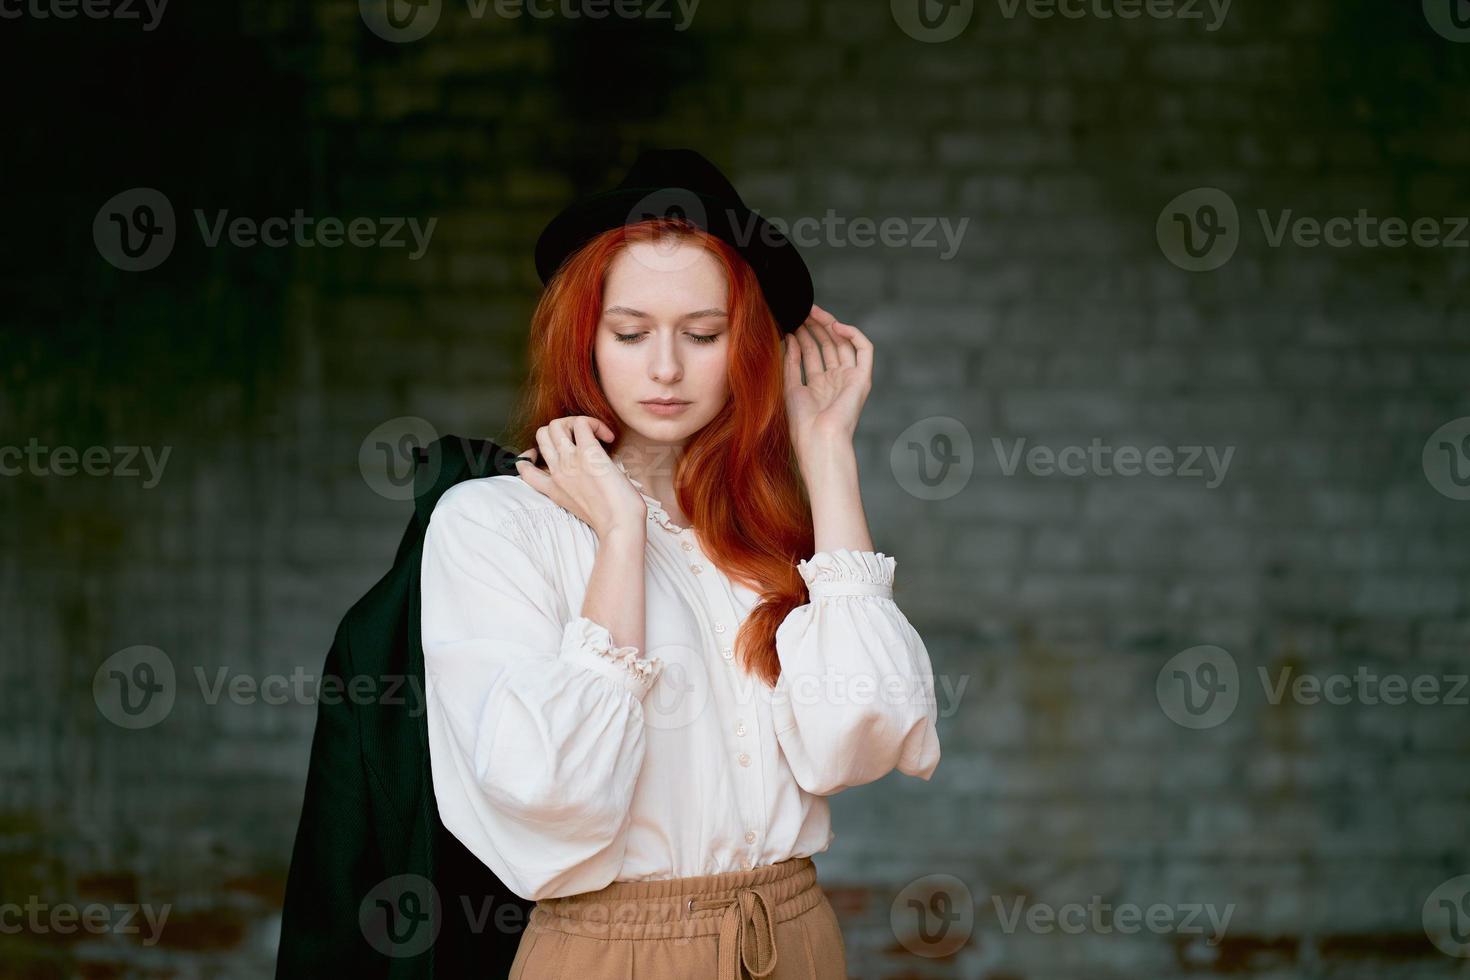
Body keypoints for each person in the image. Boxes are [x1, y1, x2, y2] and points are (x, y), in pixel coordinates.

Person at [420, 149, 940, 979]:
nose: (665, 369)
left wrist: (826, 451)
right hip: (610, 951)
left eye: (702, 335)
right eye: (630, 333)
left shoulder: (763, 532)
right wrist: (622, 538)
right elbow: (550, 793)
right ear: (582, 338)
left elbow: (860, 740)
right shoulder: (494, 524)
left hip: (794, 937)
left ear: (747, 348)